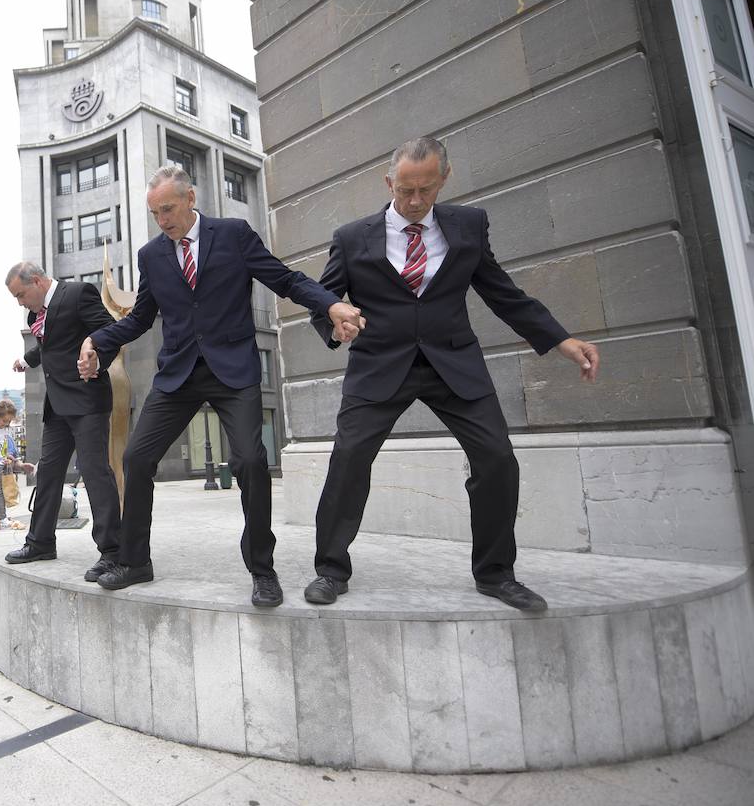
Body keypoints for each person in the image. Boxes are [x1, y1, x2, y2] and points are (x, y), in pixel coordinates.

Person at [303, 137, 601, 611]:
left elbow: (502, 292)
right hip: (379, 364)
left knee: (497, 458)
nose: (415, 201)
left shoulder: (468, 225)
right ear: (389, 183)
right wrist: (336, 325)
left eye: (426, 189)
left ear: (444, 179)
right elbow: (324, 298)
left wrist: (561, 340)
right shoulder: (351, 237)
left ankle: (496, 573)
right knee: (349, 459)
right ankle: (331, 570)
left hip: (453, 362)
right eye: (405, 191)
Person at [79, 164, 364, 607]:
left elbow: (285, 280)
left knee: (250, 460)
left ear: (190, 199)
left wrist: (330, 306)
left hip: (233, 370)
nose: (163, 220)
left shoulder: (234, 235)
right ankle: (135, 561)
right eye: (155, 213)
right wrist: (96, 340)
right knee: (137, 459)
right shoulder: (152, 255)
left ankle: (262, 571)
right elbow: (140, 318)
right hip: (178, 374)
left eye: (168, 209)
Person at [5, 262, 122, 580]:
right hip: (57, 407)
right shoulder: (36, 314)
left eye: (21, 294)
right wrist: (27, 360)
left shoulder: (78, 293)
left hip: (87, 400)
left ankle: (112, 552)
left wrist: (97, 360)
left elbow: (109, 331)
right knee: (48, 474)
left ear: (38, 281)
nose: (20, 302)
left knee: (95, 473)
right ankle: (40, 542)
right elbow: (49, 344)